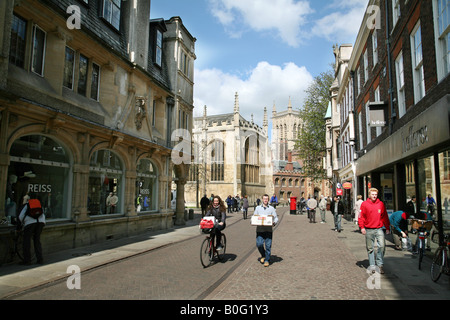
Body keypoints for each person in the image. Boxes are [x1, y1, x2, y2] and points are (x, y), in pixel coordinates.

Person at [359, 188, 390, 274]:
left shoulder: (380, 204)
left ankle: (380, 264)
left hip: (379, 228)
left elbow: (384, 216)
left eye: (375, 194)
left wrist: (387, 227)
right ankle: (372, 266)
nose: (374, 196)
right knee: (370, 248)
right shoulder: (364, 204)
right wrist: (362, 227)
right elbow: (361, 216)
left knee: (382, 246)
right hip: (369, 229)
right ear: (369, 195)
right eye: (372, 194)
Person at [18, 196, 45, 265]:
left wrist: (22, 223)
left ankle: (27, 260)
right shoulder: (39, 205)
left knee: (26, 241)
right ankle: (40, 259)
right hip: (40, 223)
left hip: (30, 223)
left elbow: (21, 216)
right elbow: (43, 214)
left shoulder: (27, 205)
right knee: (37, 240)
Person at [254, 194, 278, 267]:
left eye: (267, 199)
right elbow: (255, 217)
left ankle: (267, 260)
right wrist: (253, 220)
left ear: (268, 200)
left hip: (268, 230)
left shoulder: (271, 208)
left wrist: (274, 222)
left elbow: (276, 218)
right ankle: (263, 255)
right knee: (259, 244)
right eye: (264, 199)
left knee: (268, 246)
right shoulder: (258, 208)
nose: (265, 200)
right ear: (262, 199)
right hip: (260, 230)